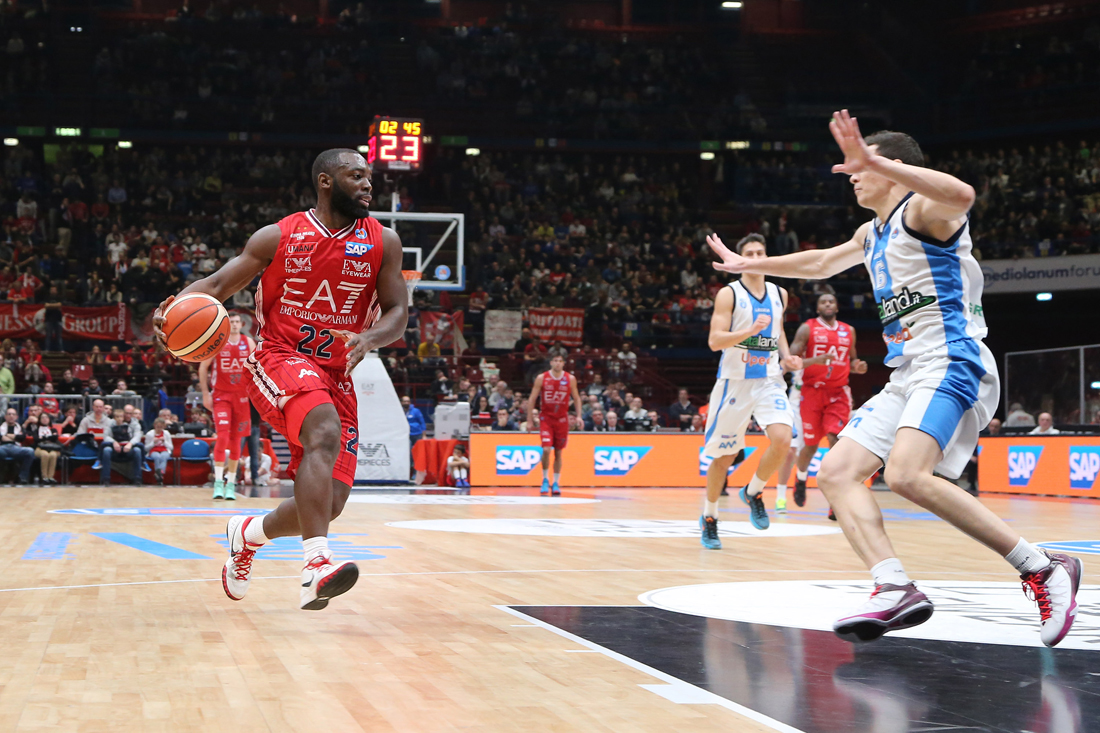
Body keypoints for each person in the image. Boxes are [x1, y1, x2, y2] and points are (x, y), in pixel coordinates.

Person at [705, 111, 1081, 647]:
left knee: (906, 475)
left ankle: (1041, 567)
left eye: (861, 167)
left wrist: (874, 157)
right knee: (836, 472)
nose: (852, 176)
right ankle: (893, 584)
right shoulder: (872, 230)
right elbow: (820, 264)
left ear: (892, 166)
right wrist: (750, 269)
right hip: (908, 372)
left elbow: (964, 195)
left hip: (951, 358)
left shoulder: (924, 210)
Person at [154, 148, 407, 611]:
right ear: (326, 182)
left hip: (338, 372)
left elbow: (398, 313)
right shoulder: (279, 236)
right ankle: (315, 566)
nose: (368, 185)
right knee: (324, 431)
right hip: (279, 356)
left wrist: (369, 338)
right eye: (356, 176)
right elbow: (214, 287)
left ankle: (247, 535)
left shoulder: (383, 242)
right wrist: (170, 309)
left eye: (369, 177)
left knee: (329, 504)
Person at [699, 233, 801, 550]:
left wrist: (785, 355)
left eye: (760, 253)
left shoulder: (779, 294)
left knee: (783, 438)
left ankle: (753, 491)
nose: (756, 257)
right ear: (740, 259)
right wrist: (748, 331)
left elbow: (779, 329)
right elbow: (715, 341)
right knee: (724, 457)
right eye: (750, 253)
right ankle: (710, 516)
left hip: (769, 378)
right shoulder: (729, 295)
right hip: (734, 381)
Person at [788, 293, 868, 511]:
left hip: (838, 393)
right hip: (812, 392)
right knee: (811, 446)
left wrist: (857, 367)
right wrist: (815, 360)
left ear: (837, 306)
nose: (828, 304)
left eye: (831, 301)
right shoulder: (807, 328)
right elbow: (791, 362)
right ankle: (801, 479)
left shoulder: (848, 330)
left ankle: (836, 498)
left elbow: (851, 361)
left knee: (836, 440)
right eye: (823, 302)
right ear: (817, 307)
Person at [199, 313, 257, 500]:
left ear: (241, 324)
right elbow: (202, 366)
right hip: (221, 396)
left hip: (241, 397)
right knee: (222, 437)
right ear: (226, 324)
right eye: (230, 322)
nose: (233, 324)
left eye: (236, 322)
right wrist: (205, 393)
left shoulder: (248, 342)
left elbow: (257, 367)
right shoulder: (217, 342)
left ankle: (231, 484)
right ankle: (218, 482)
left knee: (236, 442)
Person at [527, 353, 582, 496]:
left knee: (558, 452)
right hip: (546, 418)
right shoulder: (542, 378)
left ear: (563, 363)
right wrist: (529, 420)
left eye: (560, 361)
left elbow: (576, 398)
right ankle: (545, 479)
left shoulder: (570, 379)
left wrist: (579, 416)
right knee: (546, 449)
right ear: (551, 362)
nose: (558, 363)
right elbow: (532, 399)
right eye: (555, 361)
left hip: (562, 419)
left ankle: (556, 482)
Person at [0, 407, 34, 485]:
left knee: (30, 451)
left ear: (16, 417)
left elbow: (22, 438)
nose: (11, 416)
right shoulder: (1, 426)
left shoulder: (20, 427)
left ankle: (22, 477)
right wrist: (15, 437)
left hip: (16, 448)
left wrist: (5, 436)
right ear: (5, 417)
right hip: (2, 448)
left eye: (13, 414)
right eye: (9, 414)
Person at [33, 412, 62, 485]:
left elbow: (55, 438)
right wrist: (49, 437)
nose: (44, 419)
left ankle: (50, 477)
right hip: (40, 448)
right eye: (42, 417)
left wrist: (43, 437)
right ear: (39, 420)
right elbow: (36, 439)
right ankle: (44, 477)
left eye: (46, 417)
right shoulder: (36, 430)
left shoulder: (53, 429)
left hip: (53, 448)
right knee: (45, 455)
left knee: (53, 455)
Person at [144, 417, 174, 485]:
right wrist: (153, 442)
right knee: (157, 456)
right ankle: (160, 474)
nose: (159, 429)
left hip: (164, 450)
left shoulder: (166, 433)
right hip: (153, 450)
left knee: (164, 456)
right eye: (158, 427)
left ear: (163, 426)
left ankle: (159, 474)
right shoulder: (150, 434)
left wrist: (165, 441)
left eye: (161, 427)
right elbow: (146, 448)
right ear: (154, 425)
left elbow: (171, 447)